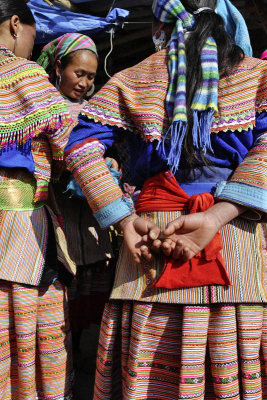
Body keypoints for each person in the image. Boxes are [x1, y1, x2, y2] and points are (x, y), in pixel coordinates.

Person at [64, 0, 267, 398]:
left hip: (150, 237)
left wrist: (123, 219)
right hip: (232, 235)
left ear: (162, 26)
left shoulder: (134, 77)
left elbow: (80, 148)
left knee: (148, 366)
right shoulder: (258, 76)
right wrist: (218, 215)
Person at [0, 1, 76, 399]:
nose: (32, 45)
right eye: (32, 34)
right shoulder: (24, 74)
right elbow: (67, 143)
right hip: (20, 224)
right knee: (31, 326)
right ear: (15, 24)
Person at [37, 34, 117, 350]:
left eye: (91, 77)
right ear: (59, 67)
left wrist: (109, 162)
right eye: (78, 73)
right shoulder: (43, 110)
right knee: (58, 315)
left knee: (89, 317)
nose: (84, 83)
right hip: (61, 228)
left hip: (94, 234)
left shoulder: (96, 115)